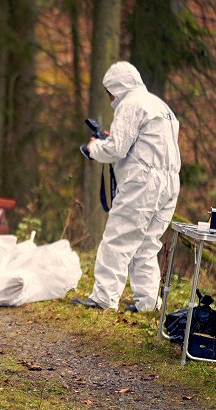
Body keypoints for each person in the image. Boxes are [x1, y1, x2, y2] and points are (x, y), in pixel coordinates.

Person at [72, 61, 181, 312]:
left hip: (144, 183)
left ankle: (103, 299)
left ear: (115, 87)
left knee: (117, 239)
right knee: (147, 243)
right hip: (170, 182)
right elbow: (145, 145)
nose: (109, 97)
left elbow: (116, 149)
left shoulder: (130, 104)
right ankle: (148, 303)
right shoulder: (159, 105)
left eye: (109, 91)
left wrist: (93, 148)